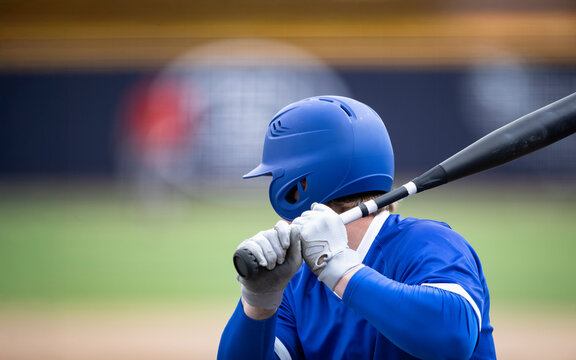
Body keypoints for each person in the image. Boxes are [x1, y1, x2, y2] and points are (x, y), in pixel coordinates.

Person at [217, 96, 496, 359]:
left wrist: (340, 269)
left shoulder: (429, 242)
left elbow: (453, 339)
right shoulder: (293, 281)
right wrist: (258, 303)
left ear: (299, 185)